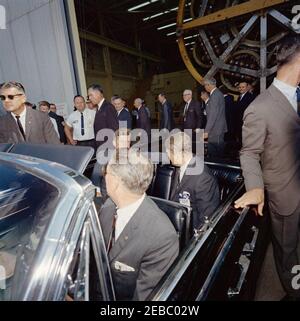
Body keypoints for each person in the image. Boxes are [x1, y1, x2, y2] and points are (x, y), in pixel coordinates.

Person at [234, 35, 300, 300]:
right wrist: (256, 187)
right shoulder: (259, 108)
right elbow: (249, 153)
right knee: (288, 252)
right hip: (285, 196)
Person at [99, 149, 179, 300]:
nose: (103, 176)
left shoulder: (162, 237)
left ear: (115, 182)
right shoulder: (108, 207)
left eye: (106, 172)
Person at [165, 132, 220, 229]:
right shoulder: (180, 165)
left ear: (180, 152)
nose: (168, 157)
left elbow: (206, 222)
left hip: (189, 230)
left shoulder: (204, 179)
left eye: (169, 153)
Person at [203, 78, 227, 156]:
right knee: (215, 153)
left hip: (216, 130)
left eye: (205, 85)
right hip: (216, 129)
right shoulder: (216, 94)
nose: (205, 87)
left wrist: (207, 131)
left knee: (216, 155)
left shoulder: (215, 95)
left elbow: (213, 114)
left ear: (209, 85)